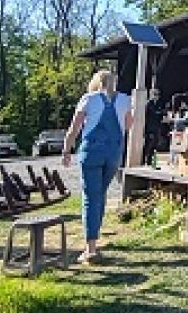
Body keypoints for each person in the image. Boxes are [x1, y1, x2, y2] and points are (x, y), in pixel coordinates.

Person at [62, 70, 133, 263]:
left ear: (96, 82)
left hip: (91, 153)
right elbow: (128, 126)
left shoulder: (88, 99)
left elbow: (74, 129)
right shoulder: (125, 100)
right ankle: (95, 237)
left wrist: (66, 150)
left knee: (90, 197)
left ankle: (90, 248)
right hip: (113, 154)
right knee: (100, 194)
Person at [143, 88, 164, 165]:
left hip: (157, 126)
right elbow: (150, 114)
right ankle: (146, 159)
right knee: (149, 143)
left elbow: (161, 113)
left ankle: (151, 160)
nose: (157, 96)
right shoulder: (149, 104)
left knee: (155, 143)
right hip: (150, 126)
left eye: (158, 95)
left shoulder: (159, 104)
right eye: (155, 94)